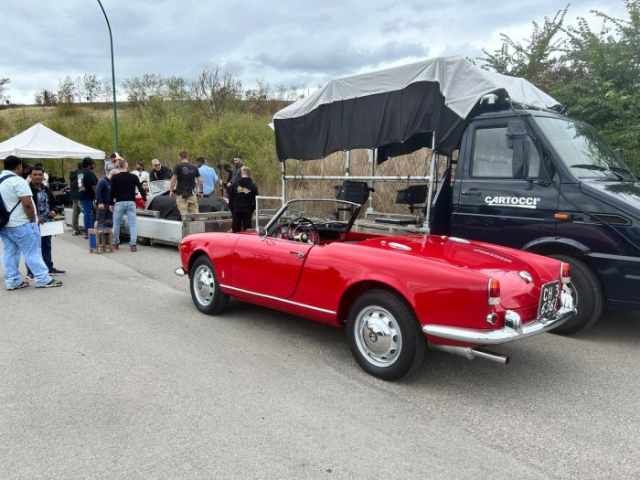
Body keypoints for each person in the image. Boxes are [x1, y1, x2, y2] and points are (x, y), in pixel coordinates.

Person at [0, 155, 62, 289]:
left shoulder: (1, 181)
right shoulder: (18, 181)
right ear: (18, 166)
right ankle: (42, 278)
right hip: (22, 223)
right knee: (32, 251)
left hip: (4, 225)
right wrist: (33, 221)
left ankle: (12, 281)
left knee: (9, 252)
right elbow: (27, 203)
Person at [26, 165, 66, 279]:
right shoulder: (27, 190)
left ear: (43, 176)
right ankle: (31, 271)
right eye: (35, 174)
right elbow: (25, 207)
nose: (37, 177)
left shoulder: (46, 189)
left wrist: (53, 211)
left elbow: (54, 204)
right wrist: (36, 218)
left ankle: (49, 267)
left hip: (47, 224)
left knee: (46, 246)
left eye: (40, 174)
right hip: (32, 223)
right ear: (30, 176)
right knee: (33, 248)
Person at [110, 160, 146, 252]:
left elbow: (112, 191)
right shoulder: (133, 177)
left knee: (116, 224)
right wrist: (144, 199)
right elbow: (141, 188)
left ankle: (116, 243)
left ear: (119, 167)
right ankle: (133, 245)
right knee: (133, 224)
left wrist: (111, 203)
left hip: (119, 202)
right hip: (131, 202)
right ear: (126, 166)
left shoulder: (115, 178)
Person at [169, 151, 203, 217]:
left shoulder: (178, 166)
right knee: (195, 212)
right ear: (187, 157)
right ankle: (197, 223)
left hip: (181, 192)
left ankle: (186, 223)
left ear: (179, 157)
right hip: (193, 191)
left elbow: (174, 179)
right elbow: (200, 181)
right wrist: (201, 192)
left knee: (184, 213)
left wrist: (171, 191)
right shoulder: (194, 167)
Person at [228, 166, 258, 233]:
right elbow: (256, 200)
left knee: (236, 229)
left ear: (241, 173)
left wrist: (232, 209)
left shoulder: (234, 185)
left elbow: (231, 199)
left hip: (237, 210)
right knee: (247, 230)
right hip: (247, 210)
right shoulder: (253, 186)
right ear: (249, 174)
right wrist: (252, 209)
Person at [78, 157, 99, 239]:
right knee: (90, 214)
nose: (93, 166)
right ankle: (90, 232)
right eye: (92, 164)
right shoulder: (90, 174)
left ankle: (87, 232)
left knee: (86, 214)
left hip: (82, 196)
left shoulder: (80, 173)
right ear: (89, 165)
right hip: (89, 197)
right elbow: (94, 187)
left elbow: (80, 185)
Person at [69, 161, 83, 235]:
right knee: (86, 213)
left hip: (74, 196)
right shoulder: (80, 174)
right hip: (80, 196)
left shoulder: (72, 174)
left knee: (75, 213)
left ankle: (75, 228)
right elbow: (80, 185)